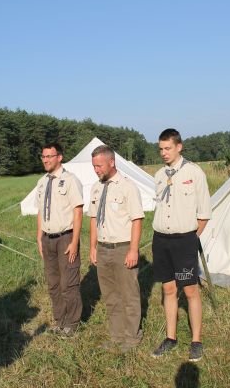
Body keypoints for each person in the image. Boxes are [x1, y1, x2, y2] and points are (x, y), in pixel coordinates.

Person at [150, 128, 211, 362]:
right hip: (161, 239)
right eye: (161, 149)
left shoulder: (194, 173)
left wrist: (191, 239)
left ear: (179, 147)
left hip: (185, 239)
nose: (164, 153)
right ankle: (171, 337)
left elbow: (204, 213)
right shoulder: (157, 175)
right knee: (168, 289)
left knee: (190, 290)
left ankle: (196, 341)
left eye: (167, 148)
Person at [88, 145, 144, 353]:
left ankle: (131, 337)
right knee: (110, 295)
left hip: (122, 247)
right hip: (103, 248)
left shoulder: (128, 187)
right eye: (94, 166)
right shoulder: (96, 188)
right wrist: (92, 247)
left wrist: (133, 250)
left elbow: (137, 220)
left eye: (99, 165)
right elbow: (93, 219)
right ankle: (116, 335)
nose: (96, 170)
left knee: (129, 294)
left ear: (112, 162)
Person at [35, 142, 84, 337]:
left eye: (49, 156)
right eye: (43, 156)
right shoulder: (41, 182)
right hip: (47, 239)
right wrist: (39, 237)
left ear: (59, 157)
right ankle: (60, 320)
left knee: (68, 283)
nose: (45, 160)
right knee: (53, 283)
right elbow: (40, 211)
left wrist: (74, 241)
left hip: (66, 238)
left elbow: (78, 211)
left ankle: (72, 324)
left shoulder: (70, 180)